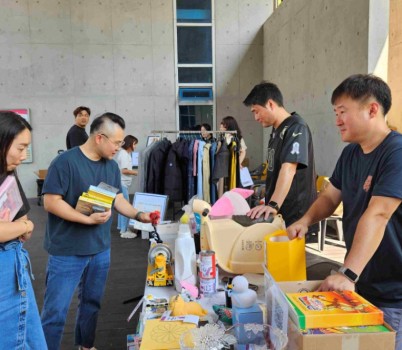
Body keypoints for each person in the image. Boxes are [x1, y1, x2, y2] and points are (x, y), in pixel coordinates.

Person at [287, 74, 402, 348]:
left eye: (343, 112)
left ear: (372, 109)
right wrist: (305, 220)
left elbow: (378, 215)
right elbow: (329, 196)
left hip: (394, 293)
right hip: (362, 283)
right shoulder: (351, 153)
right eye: (335, 113)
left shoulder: (396, 153)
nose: (337, 120)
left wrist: (347, 273)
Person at [41, 113, 153, 350]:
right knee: (56, 312)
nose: (120, 148)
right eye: (116, 143)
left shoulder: (111, 167)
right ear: (100, 138)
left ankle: (85, 345)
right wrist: (86, 219)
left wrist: (138, 215)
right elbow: (51, 202)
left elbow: (118, 198)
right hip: (67, 251)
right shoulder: (64, 163)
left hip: (100, 250)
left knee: (91, 303)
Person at [243, 82, 317, 234]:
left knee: (289, 257)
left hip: (293, 213)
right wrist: (268, 199)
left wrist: (273, 205)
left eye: (257, 111)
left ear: (270, 104)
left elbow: (289, 168)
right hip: (279, 210)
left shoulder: (296, 127)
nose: (256, 117)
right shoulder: (276, 130)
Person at [0, 111, 47, 349]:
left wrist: (21, 226)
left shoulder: (8, 173)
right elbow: (24, 224)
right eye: (20, 147)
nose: (24, 155)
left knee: (28, 335)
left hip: (15, 260)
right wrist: (23, 226)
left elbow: (23, 219)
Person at [114, 135, 138, 238]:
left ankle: (121, 228)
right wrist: (135, 172)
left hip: (123, 183)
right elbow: (124, 170)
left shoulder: (126, 154)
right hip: (122, 183)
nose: (135, 146)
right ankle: (124, 231)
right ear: (130, 143)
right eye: (135, 144)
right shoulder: (124, 154)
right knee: (125, 206)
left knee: (121, 206)